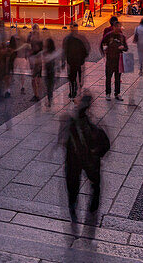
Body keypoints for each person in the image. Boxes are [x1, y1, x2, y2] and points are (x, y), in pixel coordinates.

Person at [59, 92, 109, 227]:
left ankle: (73, 207)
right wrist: (98, 154)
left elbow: (64, 141)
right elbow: (106, 144)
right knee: (95, 184)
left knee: (73, 186)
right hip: (90, 161)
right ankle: (93, 207)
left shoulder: (70, 122)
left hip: (74, 160)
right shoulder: (94, 125)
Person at [100, 20, 128, 100]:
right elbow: (102, 44)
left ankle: (117, 93)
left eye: (120, 26)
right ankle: (108, 93)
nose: (118, 28)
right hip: (110, 59)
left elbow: (126, 48)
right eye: (117, 27)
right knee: (108, 77)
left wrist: (123, 48)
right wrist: (104, 53)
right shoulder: (108, 36)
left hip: (118, 60)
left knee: (118, 78)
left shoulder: (122, 37)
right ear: (113, 27)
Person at [62, 22, 90, 99]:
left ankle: (77, 88)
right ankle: (72, 92)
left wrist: (83, 58)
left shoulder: (80, 38)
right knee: (72, 77)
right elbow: (64, 50)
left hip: (79, 61)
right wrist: (64, 61)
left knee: (79, 77)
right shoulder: (68, 39)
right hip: (71, 61)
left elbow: (86, 49)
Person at [41, 36, 58, 107]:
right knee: (49, 86)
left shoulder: (46, 52)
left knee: (48, 86)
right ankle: (49, 99)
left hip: (49, 71)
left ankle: (49, 100)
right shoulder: (52, 52)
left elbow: (44, 60)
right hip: (51, 71)